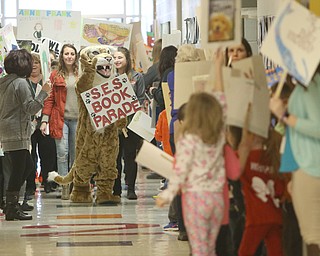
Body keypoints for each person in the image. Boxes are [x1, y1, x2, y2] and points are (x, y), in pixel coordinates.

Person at [269, 69, 320, 256]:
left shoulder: (311, 87)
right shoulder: (307, 86)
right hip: (305, 166)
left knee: (313, 236)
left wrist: (284, 116)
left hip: (311, 168)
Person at [0, 49, 51, 220]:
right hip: (17, 130)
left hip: (7, 130)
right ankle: (12, 207)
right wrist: (44, 92)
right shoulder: (20, 83)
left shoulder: (4, 82)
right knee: (19, 169)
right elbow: (30, 108)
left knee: (25, 166)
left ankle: (11, 204)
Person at [236, 107, 284, 255]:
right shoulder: (274, 157)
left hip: (256, 218)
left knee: (245, 252)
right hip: (275, 215)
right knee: (276, 251)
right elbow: (281, 190)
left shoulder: (246, 157)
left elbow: (235, 173)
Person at [166, 44, 201, 241]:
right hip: (196, 126)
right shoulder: (201, 75)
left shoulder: (173, 75)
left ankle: (182, 226)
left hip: (177, 127)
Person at [40, 43, 79, 200]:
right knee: (62, 154)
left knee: (75, 155)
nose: (69, 56)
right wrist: (44, 120)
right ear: (62, 56)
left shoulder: (81, 74)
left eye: (72, 54)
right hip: (59, 119)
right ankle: (64, 187)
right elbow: (49, 99)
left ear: (76, 56)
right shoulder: (55, 75)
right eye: (66, 53)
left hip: (78, 119)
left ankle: (75, 186)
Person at [113, 46, 145, 200]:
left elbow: (141, 99)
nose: (117, 60)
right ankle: (116, 189)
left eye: (120, 57)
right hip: (114, 125)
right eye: (115, 58)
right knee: (115, 157)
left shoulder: (137, 77)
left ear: (127, 60)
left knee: (130, 156)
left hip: (132, 124)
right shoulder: (108, 77)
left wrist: (129, 109)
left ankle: (131, 188)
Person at [27, 53, 57, 195]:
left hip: (46, 122)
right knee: (30, 155)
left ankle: (48, 182)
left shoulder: (48, 81)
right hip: (29, 123)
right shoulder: (23, 82)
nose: (34, 65)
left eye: (37, 62)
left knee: (48, 155)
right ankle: (30, 183)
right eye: (31, 62)